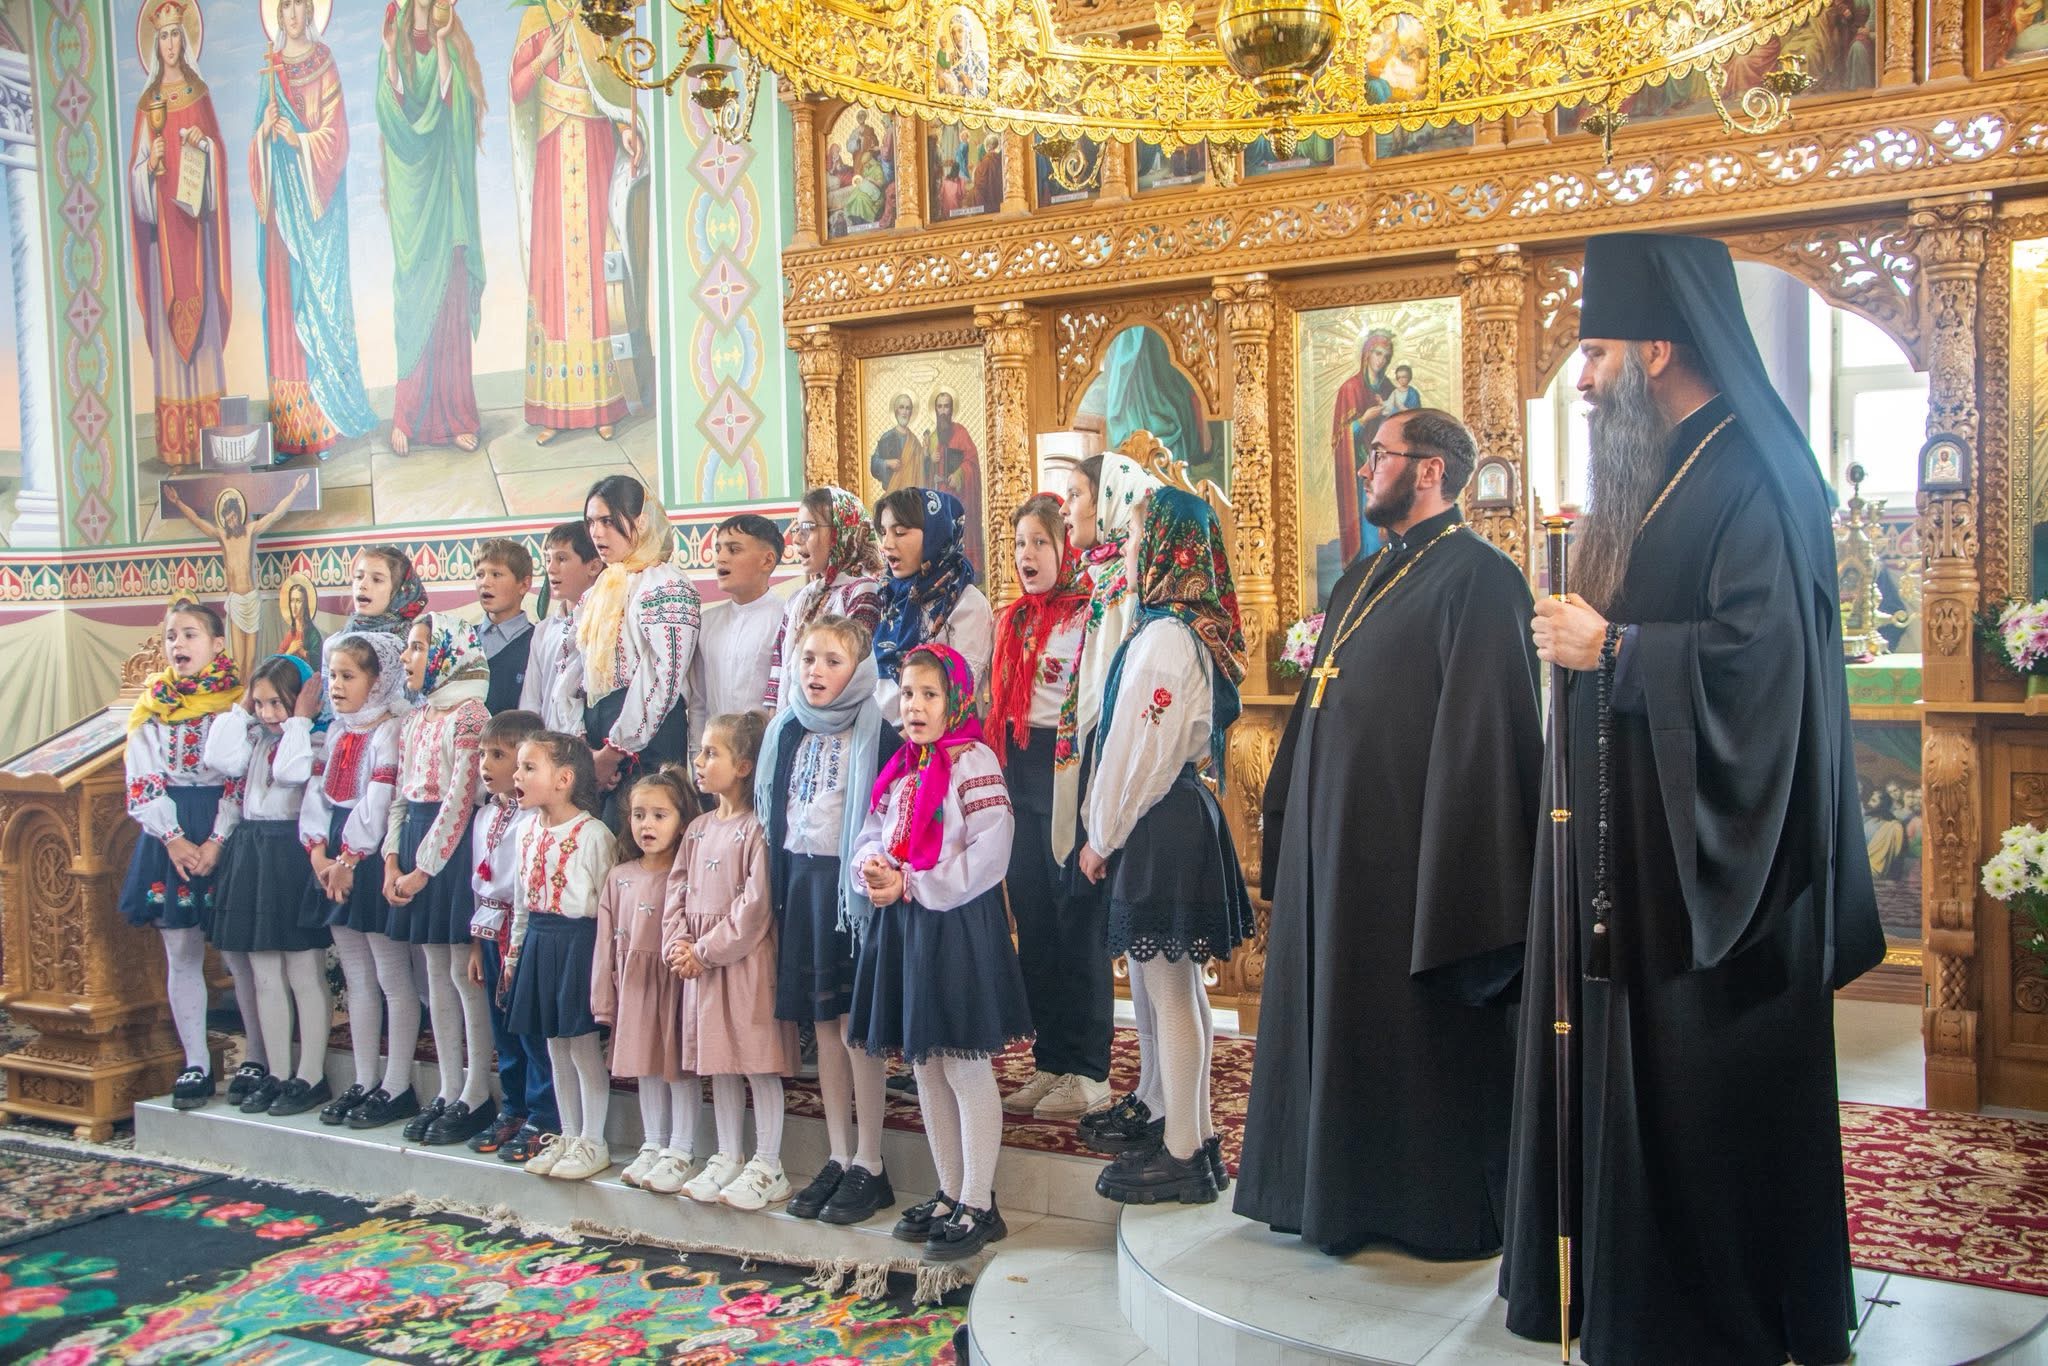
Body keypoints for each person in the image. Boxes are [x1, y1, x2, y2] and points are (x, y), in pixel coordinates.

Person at [1504, 232, 1885, 1366]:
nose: (1581, 380)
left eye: (1595, 354)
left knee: (1708, 1100)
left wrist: (1613, 648)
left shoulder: (1753, 474)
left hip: (1718, 879)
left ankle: (1710, 1321)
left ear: (1658, 349)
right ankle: (1637, 1299)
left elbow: (1761, 668)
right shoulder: (1663, 470)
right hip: (1637, 855)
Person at [1234, 409, 1541, 1256]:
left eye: (1381, 454)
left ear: (1432, 469)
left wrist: (1453, 869)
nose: (1367, 468)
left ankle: (1416, 1207)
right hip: (1336, 851)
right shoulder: (1363, 575)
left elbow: (1488, 741)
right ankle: (1324, 1196)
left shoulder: (1483, 580)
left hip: (1410, 863)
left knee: (1406, 1033)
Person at [1083, 488, 1256, 1205]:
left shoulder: (1164, 640)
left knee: (1169, 988)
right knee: (1175, 986)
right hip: (1175, 814)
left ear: (1166, 548)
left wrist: (1101, 835)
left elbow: (1136, 755)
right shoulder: (1177, 629)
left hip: (1159, 819)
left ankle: (1183, 1152)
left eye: (1135, 538)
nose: (1127, 551)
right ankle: (1194, 1135)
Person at [850, 644, 1032, 1262]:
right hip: (907, 924)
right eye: (907, 694)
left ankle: (980, 1202)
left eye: (930, 695)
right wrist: (873, 869)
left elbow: (992, 848)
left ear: (956, 701)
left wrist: (917, 883)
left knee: (961, 1062)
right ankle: (950, 1190)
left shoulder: (972, 761)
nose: (916, 706)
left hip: (955, 923)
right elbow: (874, 832)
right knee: (925, 1062)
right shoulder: (904, 765)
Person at [758, 616, 900, 1224]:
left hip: (854, 896)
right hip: (803, 886)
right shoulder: (787, 729)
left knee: (854, 1027)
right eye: (808, 658)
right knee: (822, 1024)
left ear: (860, 671)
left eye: (832, 661)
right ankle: (839, 1154)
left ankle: (872, 1160)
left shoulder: (878, 733)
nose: (816, 671)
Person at [1057, 453, 1169, 1156]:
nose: (1067, 506)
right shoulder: (1099, 573)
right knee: (1126, 939)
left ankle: (1162, 1103)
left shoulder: (1128, 580)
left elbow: (1125, 687)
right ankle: (1149, 1092)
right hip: (1099, 755)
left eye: (1077, 494)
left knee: (1146, 949)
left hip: (1129, 766)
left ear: (1110, 499)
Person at [988, 496, 1107, 1121]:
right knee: (1033, 922)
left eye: (1039, 542)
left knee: (1075, 922)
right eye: (1019, 543)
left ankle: (1089, 1070)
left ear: (1066, 547)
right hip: (1019, 772)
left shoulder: (1091, 615)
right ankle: (1051, 1060)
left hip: (1070, 776)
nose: (1026, 555)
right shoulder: (1013, 621)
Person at [667, 713, 799, 1210]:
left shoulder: (758, 828)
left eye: (712, 753)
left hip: (743, 965)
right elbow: (677, 888)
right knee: (719, 1061)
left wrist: (704, 951)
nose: (699, 762)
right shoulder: (697, 829)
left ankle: (769, 1163)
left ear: (744, 766)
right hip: (700, 964)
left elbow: (755, 906)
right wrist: (678, 942)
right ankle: (727, 1154)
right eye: (700, 751)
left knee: (756, 1061)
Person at [121, 602, 243, 1110]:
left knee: (240, 950)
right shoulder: (153, 706)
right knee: (181, 949)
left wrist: (216, 840)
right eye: (172, 636)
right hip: (170, 831)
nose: (178, 645)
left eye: (190, 634)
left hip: (225, 829)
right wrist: (172, 838)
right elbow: (142, 778)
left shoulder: (237, 705)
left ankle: (256, 1060)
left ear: (217, 644)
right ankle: (196, 1063)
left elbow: (241, 777)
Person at [202, 653, 332, 1117]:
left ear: (299, 701)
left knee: (302, 970)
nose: (267, 713)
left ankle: (310, 1075)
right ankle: (277, 1072)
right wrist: (242, 711)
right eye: (260, 704)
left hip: (291, 853)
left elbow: (292, 772)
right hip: (253, 851)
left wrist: (299, 721)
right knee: (264, 973)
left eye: (277, 702)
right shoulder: (255, 738)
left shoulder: (314, 738)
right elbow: (218, 758)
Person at [298, 632, 418, 1130]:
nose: (336, 685)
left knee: (391, 975)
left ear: (378, 679)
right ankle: (365, 1080)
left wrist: (348, 860)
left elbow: (379, 801)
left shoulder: (389, 731)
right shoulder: (337, 732)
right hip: (334, 855)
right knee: (356, 976)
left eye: (348, 676)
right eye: (332, 675)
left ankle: (397, 1084)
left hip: (368, 854)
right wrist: (317, 853)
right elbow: (316, 793)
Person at [384, 616, 496, 1146]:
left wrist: (423, 870)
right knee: (434, 971)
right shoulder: (417, 716)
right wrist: (391, 859)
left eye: (417, 648)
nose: (407, 658)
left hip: (452, 851)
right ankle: (449, 1088)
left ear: (447, 653)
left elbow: (459, 801)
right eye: (409, 648)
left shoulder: (470, 715)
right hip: (416, 843)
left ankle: (476, 1092)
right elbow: (402, 795)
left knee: (461, 971)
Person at [249, 0, 377, 459]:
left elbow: (336, 138)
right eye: (285, 6)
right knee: (286, 308)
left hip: (318, 212)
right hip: (282, 218)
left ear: (309, 12)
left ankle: (323, 426)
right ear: (278, 15)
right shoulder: (270, 69)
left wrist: (298, 139)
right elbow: (255, 151)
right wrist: (265, 134)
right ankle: (290, 432)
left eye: (300, 5)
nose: (292, 14)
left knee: (322, 304)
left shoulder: (324, 63)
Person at [510, 2, 641, 444]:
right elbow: (517, 90)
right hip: (552, 158)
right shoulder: (536, 18)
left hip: (594, 150)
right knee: (555, 279)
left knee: (598, 273)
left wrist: (626, 127)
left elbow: (615, 84)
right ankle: (555, 411)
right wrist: (543, 59)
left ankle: (606, 405)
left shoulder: (596, 14)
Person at [504, 731, 619, 1181]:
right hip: (539, 938)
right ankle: (569, 1135)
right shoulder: (525, 831)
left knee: (582, 1047)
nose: (517, 775)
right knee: (554, 1045)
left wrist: (609, 968)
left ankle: (593, 1140)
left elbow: (609, 909)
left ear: (564, 779)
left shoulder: (593, 835)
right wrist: (514, 955)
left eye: (529, 767)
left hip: (579, 945)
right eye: (519, 767)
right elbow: (521, 901)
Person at [377, 0, 486, 457]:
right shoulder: (395, 39)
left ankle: (456, 416)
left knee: (452, 294)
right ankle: (407, 416)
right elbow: (392, 114)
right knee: (414, 296)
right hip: (414, 194)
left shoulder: (450, 37)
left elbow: (455, 106)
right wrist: (389, 55)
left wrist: (441, 44)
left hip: (447, 186)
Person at [128, 0, 230, 468]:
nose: (170, 44)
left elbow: (218, 154)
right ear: (155, 45)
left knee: (202, 332)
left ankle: (211, 442)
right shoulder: (146, 104)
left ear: (184, 40)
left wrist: (202, 145)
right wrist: (147, 167)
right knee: (171, 345)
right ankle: (176, 446)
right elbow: (135, 177)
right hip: (163, 246)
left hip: (196, 236)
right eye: (163, 36)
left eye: (175, 34)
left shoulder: (199, 93)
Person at [593, 768, 700, 1193]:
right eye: (639, 815)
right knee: (645, 1064)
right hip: (635, 984)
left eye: (659, 815)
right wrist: (604, 997)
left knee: (676, 1066)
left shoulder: (685, 874)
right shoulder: (619, 876)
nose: (646, 825)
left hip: (673, 983)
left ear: (682, 822)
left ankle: (682, 1149)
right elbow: (605, 942)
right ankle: (653, 1142)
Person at [464, 709, 558, 1164]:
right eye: (483, 754)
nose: (487, 764)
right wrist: (475, 945)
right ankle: (514, 1107)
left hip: (521, 933)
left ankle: (544, 1114)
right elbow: (478, 883)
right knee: (502, 1028)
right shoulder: (485, 816)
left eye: (499, 755)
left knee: (529, 1028)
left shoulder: (534, 821)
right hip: (489, 932)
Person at [578, 475, 701, 819]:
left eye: (607, 521)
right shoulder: (601, 588)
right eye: (591, 522)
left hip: (646, 737)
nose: (597, 533)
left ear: (641, 521)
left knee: (640, 834)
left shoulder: (665, 586)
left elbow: (662, 677)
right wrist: (584, 749)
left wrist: (614, 751)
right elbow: (575, 669)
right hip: (598, 735)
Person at [160, 477, 309, 678]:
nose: (231, 522)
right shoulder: (223, 536)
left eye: (233, 518)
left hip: (251, 600)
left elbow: (275, 514)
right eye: (227, 519)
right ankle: (239, 693)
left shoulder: (250, 530)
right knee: (238, 660)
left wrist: (296, 490)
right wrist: (177, 502)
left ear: (239, 515)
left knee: (251, 659)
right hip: (236, 601)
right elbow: (197, 521)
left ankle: (248, 694)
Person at [872, 488, 994, 729]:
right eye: (883, 533)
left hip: (932, 739)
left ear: (934, 535)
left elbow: (958, 694)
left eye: (900, 532)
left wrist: (898, 745)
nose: (886, 544)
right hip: (878, 734)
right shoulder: (887, 596)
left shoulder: (966, 602)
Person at [766, 487, 884, 708]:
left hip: (838, 719)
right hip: (792, 716)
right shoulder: (799, 599)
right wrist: (775, 718)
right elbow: (779, 665)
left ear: (842, 531)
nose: (797, 539)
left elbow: (854, 668)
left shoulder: (863, 593)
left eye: (808, 529)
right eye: (797, 529)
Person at [690, 514, 788, 746]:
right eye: (718, 549)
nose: (721, 558)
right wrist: (697, 755)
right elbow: (699, 702)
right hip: (715, 754)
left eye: (734, 550)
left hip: (764, 749)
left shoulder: (785, 618)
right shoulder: (707, 623)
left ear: (767, 561)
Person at [521, 520, 603, 734]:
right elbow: (531, 700)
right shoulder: (543, 630)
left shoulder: (605, 625)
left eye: (562, 559)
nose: (551, 568)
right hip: (547, 743)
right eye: (548, 559)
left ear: (594, 566)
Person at [1332, 330, 1396, 565]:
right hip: (1359, 466)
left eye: (1386, 356)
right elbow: (1339, 437)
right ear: (1367, 354)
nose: (1381, 360)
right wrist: (1363, 420)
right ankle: (1368, 567)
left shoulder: (1389, 388)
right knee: (1367, 524)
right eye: (1378, 353)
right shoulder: (1350, 388)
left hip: (1386, 466)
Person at [475, 539, 536, 714]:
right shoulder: (462, 638)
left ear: (524, 585)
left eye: (496, 574)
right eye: (480, 574)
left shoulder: (536, 641)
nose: (485, 583)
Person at [926, 393, 985, 571]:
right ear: (935, 410)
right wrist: (929, 461)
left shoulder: (961, 433)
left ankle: (967, 570)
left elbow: (972, 461)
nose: (943, 411)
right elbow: (924, 476)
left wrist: (959, 474)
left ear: (951, 409)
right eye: (940, 407)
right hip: (940, 498)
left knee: (961, 533)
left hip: (960, 496)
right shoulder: (932, 438)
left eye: (946, 406)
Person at [870, 394, 927, 493]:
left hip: (911, 495)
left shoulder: (914, 441)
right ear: (896, 411)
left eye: (908, 408)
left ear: (911, 413)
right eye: (901, 407)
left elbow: (921, 470)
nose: (904, 412)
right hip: (892, 493)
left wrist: (925, 454)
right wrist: (887, 463)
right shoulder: (887, 437)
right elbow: (874, 464)